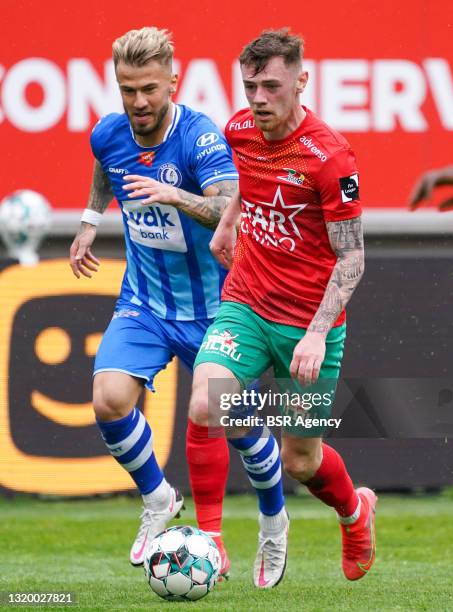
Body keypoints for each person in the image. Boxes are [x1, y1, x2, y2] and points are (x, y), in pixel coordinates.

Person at [189, 29, 377, 588]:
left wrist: (317, 334)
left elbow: (353, 256)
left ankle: (354, 513)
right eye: (250, 86)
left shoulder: (330, 156)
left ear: (301, 80)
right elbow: (248, 185)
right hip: (245, 301)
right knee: (205, 404)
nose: (258, 98)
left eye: (271, 85)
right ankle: (209, 544)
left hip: (310, 323)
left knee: (301, 460)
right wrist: (229, 222)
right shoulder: (240, 130)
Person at [69, 26, 242, 576]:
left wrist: (173, 193)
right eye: (127, 90)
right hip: (144, 301)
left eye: (149, 88)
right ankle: (159, 500)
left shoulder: (200, 137)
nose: (139, 102)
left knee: (255, 434)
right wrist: (90, 222)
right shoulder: (110, 133)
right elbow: (107, 167)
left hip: (215, 306)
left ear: (174, 79)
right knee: (108, 398)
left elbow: (226, 208)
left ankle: (279, 519)